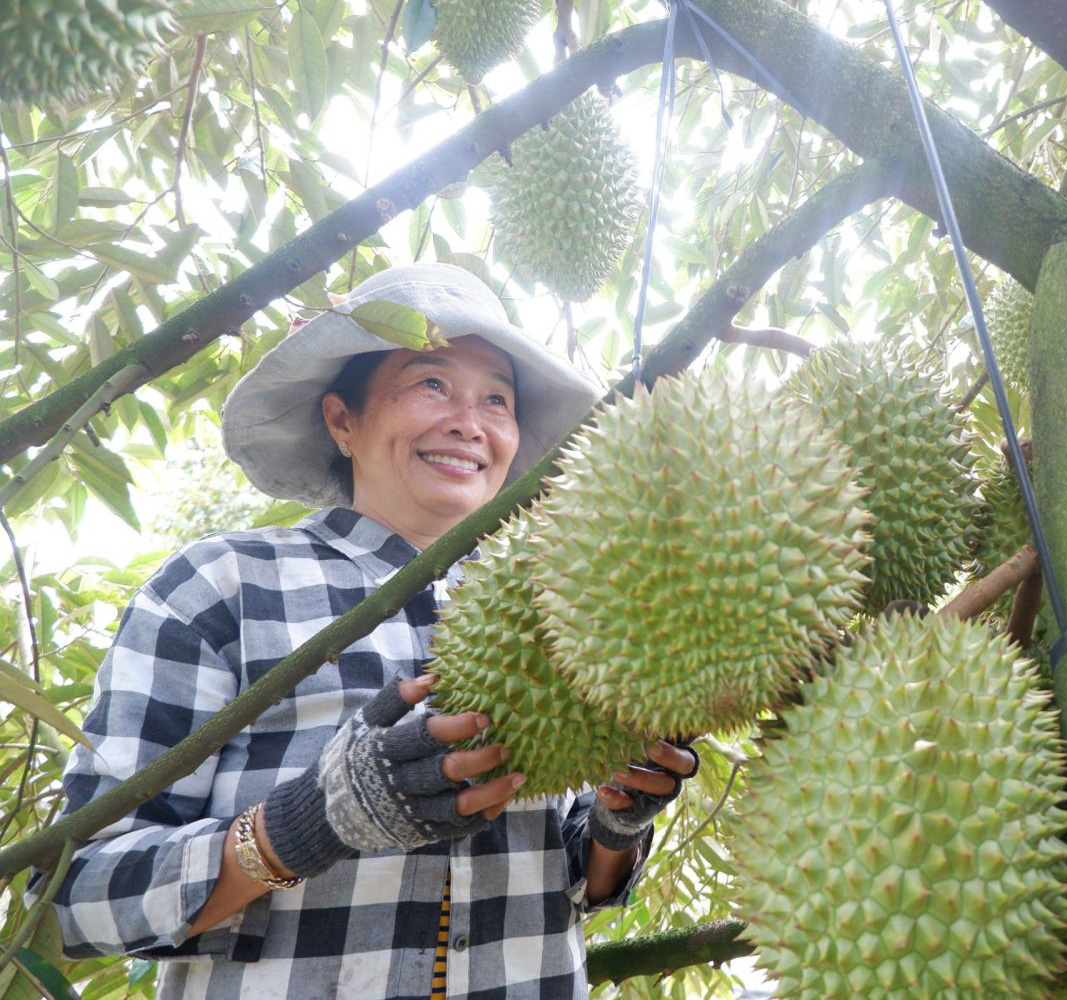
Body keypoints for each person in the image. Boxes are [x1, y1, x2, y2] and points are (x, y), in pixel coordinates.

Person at [38, 263, 699, 999]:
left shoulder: (571, 599)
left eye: (497, 399)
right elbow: (81, 895)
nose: (469, 422)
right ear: (341, 420)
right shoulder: (221, 587)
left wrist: (617, 821)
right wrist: (305, 825)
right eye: (432, 384)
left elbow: (572, 877)